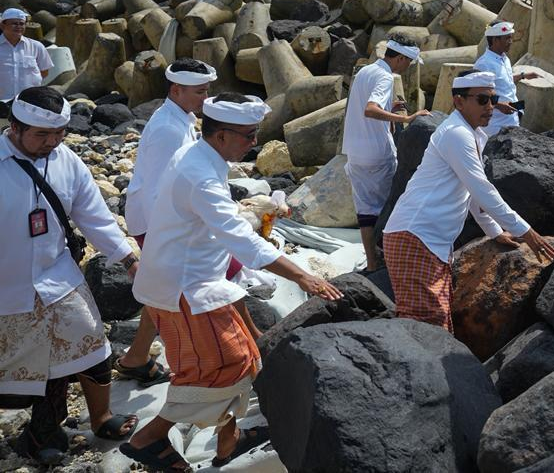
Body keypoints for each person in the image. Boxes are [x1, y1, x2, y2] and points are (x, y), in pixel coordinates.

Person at [126, 93, 342, 472]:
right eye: (248, 135)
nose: (254, 142)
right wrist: (303, 276)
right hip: (184, 288)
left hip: (196, 279)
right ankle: (150, 437)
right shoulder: (199, 174)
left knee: (238, 358)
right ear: (221, 135)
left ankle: (228, 439)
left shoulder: (202, 156)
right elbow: (239, 238)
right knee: (227, 365)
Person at [0, 86, 139, 466]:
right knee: (25, 371)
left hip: (58, 278)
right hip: (8, 287)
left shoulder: (67, 161)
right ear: (14, 128)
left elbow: (95, 217)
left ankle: (101, 418)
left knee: (91, 346)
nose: (52, 142)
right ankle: (40, 435)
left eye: (59, 134)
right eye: (42, 135)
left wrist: (129, 260)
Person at [383, 71, 554, 331]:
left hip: (429, 241)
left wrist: (495, 232)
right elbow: (482, 189)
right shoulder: (456, 134)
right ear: (459, 101)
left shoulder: (471, 134)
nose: (490, 107)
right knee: (425, 327)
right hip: (415, 236)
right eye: (482, 100)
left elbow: (472, 192)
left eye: (493, 99)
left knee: (434, 326)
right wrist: (526, 232)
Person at [116, 58, 217, 388]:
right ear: (176, 90)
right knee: (177, 289)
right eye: (200, 92)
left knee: (164, 289)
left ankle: (137, 356)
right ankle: (196, 362)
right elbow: (158, 189)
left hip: (163, 219)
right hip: (156, 220)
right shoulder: (168, 130)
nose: (206, 98)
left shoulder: (180, 117)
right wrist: (171, 233)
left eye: (206, 91)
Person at [341, 36, 430, 271]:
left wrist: (389, 109)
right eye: (409, 61)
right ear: (399, 58)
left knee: (365, 212)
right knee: (390, 209)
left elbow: (365, 107)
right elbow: (371, 109)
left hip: (355, 153)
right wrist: (405, 118)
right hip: (377, 153)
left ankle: (372, 264)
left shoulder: (365, 71)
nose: (408, 66)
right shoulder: (385, 76)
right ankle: (392, 262)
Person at [472, 20, 538, 141]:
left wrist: (522, 76)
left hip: (512, 119)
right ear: (495, 40)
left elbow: (503, 81)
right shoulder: (484, 64)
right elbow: (477, 93)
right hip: (495, 125)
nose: (511, 41)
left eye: (511, 38)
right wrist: (499, 105)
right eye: (507, 38)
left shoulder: (504, 58)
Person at [0, 8, 52, 119]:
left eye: (22, 24)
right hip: (2, 103)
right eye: (14, 23)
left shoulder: (36, 46)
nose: (19, 26)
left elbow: (44, 72)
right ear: (2, 25)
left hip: (29, 103)